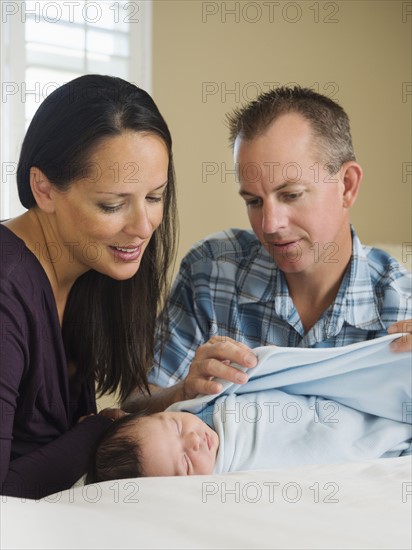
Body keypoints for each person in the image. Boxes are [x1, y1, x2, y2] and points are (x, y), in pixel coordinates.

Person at [122, 85, 412, 414]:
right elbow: (133, 409)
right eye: (254, 201)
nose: (270, 225)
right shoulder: (212, 271)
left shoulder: (404, 306)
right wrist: (183, 392)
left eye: (291, 195)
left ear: (347, 186)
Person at [0, 74, 178, 499]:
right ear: (43, 188)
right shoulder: (7, 292)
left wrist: (180, 395)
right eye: (112, 205)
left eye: (155, 197)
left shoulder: (90, 267)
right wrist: (98, 430)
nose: (143, 226)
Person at [89, 334, 412, 481]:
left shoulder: (209, 407)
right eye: (186, 464)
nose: (194, 440)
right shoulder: (225, 478)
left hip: (348, 405)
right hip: (360, 447)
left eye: (175, 426)